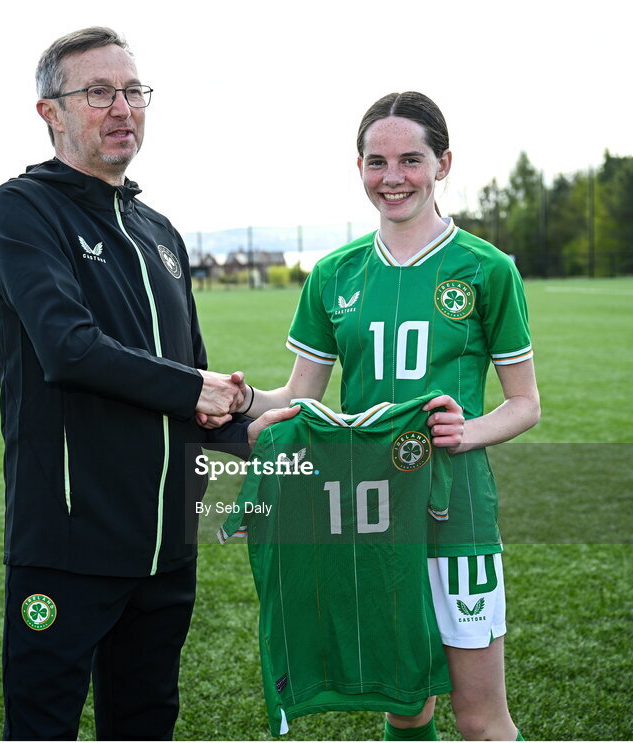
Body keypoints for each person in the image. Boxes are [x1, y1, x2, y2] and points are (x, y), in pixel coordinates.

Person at [0, 27, 289, 740]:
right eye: (97, 92)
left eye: (132, 91)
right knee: (41, 727)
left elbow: (197, 388)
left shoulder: (161, 233)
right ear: (49, 111)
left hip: (166, 547)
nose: (122, 108)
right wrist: (196, 390)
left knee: (146, 724)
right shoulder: (23, 209)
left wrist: (261, 430)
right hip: (67, 545)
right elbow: (69, 349)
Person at [233, 92, 541, 741]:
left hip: (456, 511)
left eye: (410, 159)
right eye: (377, 161)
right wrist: (238, 399)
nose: (392, 176)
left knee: (481, 717)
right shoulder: (335, 274)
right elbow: (299, 395)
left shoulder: (486, 269)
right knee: (405, 701)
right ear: (360, 167)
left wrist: (468, 430)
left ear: (442, 163)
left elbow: (525, 403)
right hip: (368, 508)